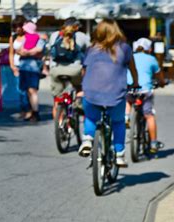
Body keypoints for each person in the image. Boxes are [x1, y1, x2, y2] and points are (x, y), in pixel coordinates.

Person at [78, 19, 139, 168]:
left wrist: (83, 85)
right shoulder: (124, 48)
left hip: (91, 92)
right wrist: (135, 84)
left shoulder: (92, 49)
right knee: (118, 122)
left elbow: (84, 71)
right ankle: (119, 155)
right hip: (115, 94)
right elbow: (133, 69)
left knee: (91, 118)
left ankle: (87, 139)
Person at [126, 38, 165, 154]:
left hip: (130, 88)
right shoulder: (151, 59)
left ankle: (126, 117)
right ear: (150, 49)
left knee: (128, 101)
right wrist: (162, 83)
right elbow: (159, 76)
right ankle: (153, 143)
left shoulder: (129, 57)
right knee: (149, 115)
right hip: (145, 90)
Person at [49, 17, 90, 117]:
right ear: (76, 27)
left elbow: (50, 50)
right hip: (75, 69)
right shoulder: (82, 36)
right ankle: (78, 102)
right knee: (80, 87)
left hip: (56, 69)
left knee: (57, 98)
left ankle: (58, 125)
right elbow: (90, 51)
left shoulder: (54, 35)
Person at [16, 20, 46, 121]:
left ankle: (35, 112)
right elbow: (19, 51)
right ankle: (32, 111)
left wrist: (26, 52)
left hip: (32, 68)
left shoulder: (39, 39)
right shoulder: (27, 38)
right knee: (28, 91)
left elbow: (38, 51)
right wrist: (28, 52)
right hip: (24, 67)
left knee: (32, 90)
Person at [8, 16, 31, 119]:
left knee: (29, 90)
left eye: (20, 26)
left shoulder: (29, 36)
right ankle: (24, 110)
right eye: (15, 26)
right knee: (20, 90)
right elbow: (11, 53)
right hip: (17, 66)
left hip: (29, 65)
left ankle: (31, 110)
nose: (18, 28)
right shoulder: (12, 38)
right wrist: (12, 66)